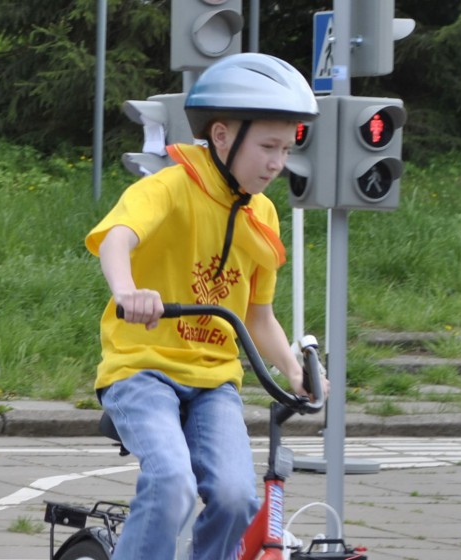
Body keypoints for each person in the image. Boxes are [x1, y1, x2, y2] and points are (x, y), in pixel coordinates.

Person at [84, 53, 326, 560]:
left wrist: (292, 371)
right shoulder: (170, 187)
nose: (277, 162)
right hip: (143, 369)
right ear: (221, 136)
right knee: (172, 481)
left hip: (215, 382)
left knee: (238, 497)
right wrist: (128, 291)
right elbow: (116, 239)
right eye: (266, 146)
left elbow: (259, 315)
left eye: (285, 148)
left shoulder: (263, 216)